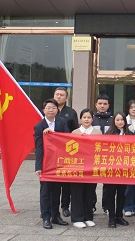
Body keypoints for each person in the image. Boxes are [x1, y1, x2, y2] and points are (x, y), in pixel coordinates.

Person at [34, 99, 70, 229]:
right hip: (46, 164)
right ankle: (46, 217)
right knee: (45, 192)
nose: (51, 110)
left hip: (58, 163)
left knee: (56, 191)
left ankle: (55, 216)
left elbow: (67, 139)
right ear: (44, 110)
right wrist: (38, 167)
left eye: (53, 108)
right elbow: (38, 148)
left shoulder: (61, 122)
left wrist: (53, 134)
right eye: (48, 107)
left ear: (57, 110)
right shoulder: (39, 126)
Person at [70, 108, 101, 228]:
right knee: (77, 193)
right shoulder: (75, 132)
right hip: (77, 168)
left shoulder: (98, 133)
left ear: (92, 119)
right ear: (80, 119)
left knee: (89, 193)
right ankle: (77, 218)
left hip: (92, 168)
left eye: (89, 117)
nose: (86, 120)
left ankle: (88, 217)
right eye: (84, 117)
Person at [103, 112, 131, 228]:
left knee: (122, 193)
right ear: (114, 121)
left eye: (122, 120)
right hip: (111, 169)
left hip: (124, 169)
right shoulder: (108, 134)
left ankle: (119, 216)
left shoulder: (130, 134)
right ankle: (111, 218)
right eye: (117, 120)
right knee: (110, 193)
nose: (120, 122)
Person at [54, 87, 78, 218]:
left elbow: (75, 131)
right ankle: (52, 205)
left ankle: (65, 206)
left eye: (61, 95)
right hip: (52, 151)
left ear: (66, 98)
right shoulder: (49, 110)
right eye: (57, 94)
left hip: (67, 151)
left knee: (66, 181)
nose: (59, 97)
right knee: (53, 180)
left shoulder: (71, 112)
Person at [91, 94, 113, 214]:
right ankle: (91, 204)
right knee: (92, 181)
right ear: (96, 105)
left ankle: (107, 206)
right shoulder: (91, 119)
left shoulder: (113, 120)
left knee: (108, 183)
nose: (102, 106)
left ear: (108, 105)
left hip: (109, 155)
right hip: (93, 154)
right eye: (100, 104)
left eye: (105, 104)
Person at [123, 100, 135, 218]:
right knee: (129, 184)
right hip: (128, 156)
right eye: (131, 107)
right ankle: (128, 207)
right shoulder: (124, 121)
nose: (134, 109)